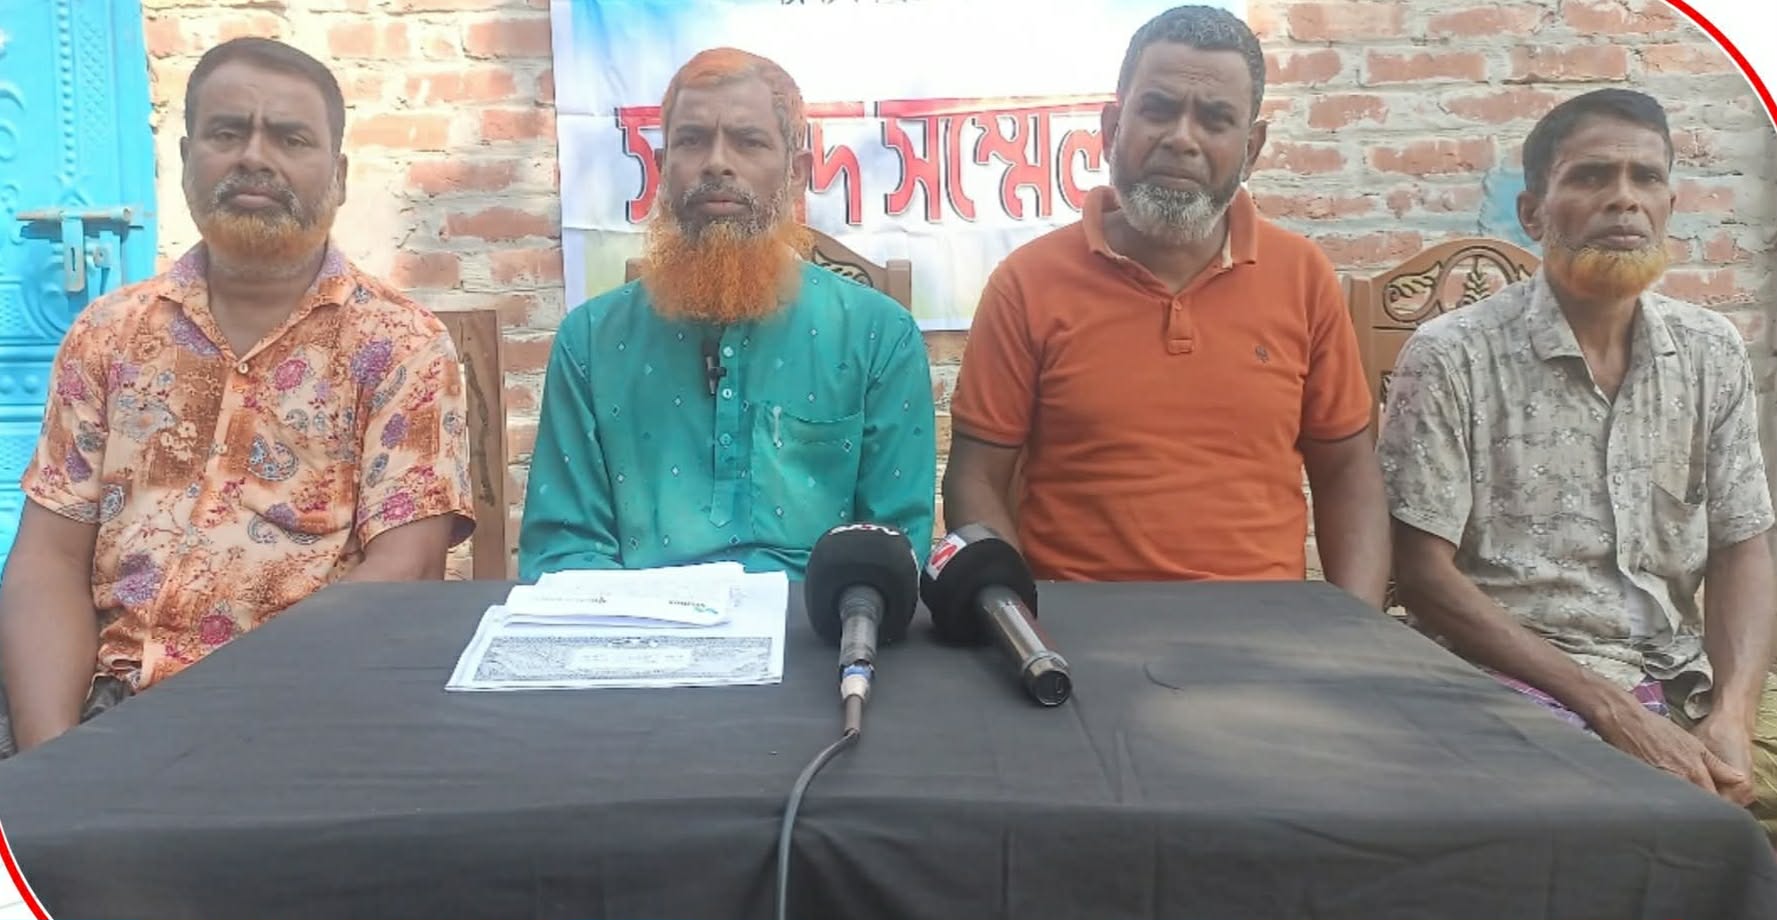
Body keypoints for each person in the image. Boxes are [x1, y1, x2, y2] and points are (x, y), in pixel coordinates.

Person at [0, 37, 474, 754]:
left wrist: (230, 747)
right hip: (106, 719)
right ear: (185, 158)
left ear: (339, 175)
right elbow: (49, 562)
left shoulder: (399, 344)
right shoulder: (108, 334)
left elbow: (403, 574)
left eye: (290, 138)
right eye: (227, 133)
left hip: (300, 730)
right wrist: (52, 765)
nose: (255, 156)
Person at [1378, 88, 1777, 834]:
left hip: (1677, 673)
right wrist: (1610, 709)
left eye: (1645, 177)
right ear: (1532, 212)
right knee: (1601, 826)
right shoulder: (1452, 356)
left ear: (1669, 204)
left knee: (1725, 797)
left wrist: (1731, 712)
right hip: (1507, 682)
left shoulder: (1709, 351)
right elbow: (1422, 576)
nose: (1623, 199)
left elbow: (1742, 546)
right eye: (1591, 176)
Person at [942, 5, 1387, 601]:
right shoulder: (1027, 282)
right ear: (1111, 127)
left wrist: (1357, 632)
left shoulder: (1303, 278)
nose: (1181, 139)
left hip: (1266, 628)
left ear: (1252, 149)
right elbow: (974, 480)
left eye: (1215, 119)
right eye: (1157, 109)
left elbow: (1348, 474)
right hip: (1081, 627)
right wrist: (1024, 625)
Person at [517, 48, 935, 580]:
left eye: (748, 141)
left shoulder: (878, 336)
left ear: (797, 174)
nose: (716, 162)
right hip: (640, 624)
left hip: (816, 624)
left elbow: (896, 548)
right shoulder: (591, 341)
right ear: (662, 169)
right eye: (692, 140)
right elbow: (562, 549)